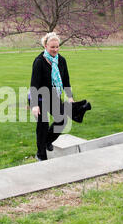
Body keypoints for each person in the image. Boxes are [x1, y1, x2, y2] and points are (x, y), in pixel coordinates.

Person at [29, 32, 91, 161]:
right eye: (52, 47)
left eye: (57, 47)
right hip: (39, 97)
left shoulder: (61, 60)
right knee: (43, 125)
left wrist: (69, 97)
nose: (55, 50)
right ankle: (41, 155)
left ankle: (46, 141)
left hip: (53, 96)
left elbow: (66, 80)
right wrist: (34, 105)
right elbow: (34, 84)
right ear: (45, 46)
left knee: (62, 120)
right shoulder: (39, 61)